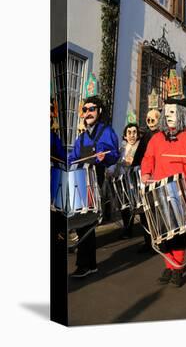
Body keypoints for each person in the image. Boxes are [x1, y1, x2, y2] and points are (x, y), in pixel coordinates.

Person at [141, 79, 186, 288]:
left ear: (182, 113)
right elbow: (148, 158)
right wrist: (145, 174)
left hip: (182, 190)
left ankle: (177, 268)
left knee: (178, 232)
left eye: (173, 112)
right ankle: (169, 264)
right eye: (166, 112)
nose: (169, 116)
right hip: (159, 191)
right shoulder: (157, 138)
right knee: (163, 232)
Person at [68, 96, 120, 278]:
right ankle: (89, 264)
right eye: (85, 109)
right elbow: (72, 157)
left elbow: (114, 153)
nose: (88, 112)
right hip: (79, 180)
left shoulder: (106, 131)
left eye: (92, 109)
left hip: (94, 179)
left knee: (87, 222)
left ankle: (85, 265)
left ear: (99, 111)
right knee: (83, 223)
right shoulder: (81, 138)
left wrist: (104, 157)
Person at [133, 108, 161, 253]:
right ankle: (148, 240)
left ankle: (158, 239)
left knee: (156, 208)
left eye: (153, 119)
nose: (150, 122)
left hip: (157, 177)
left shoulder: (162, 135)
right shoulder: (145, 136)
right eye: (148, 119)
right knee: (144, 210)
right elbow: (139, 155)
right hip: (144, 176)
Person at [118, 122, 141, 239]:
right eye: (129, 133)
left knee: (140, 205)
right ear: (125, 136)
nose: (132, 135)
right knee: (125, 206)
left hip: (137, 181)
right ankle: (127, 228)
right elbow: (117, 163)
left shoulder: (141, 147)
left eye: (134, 132)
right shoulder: (122, 149)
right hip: (124, 181)